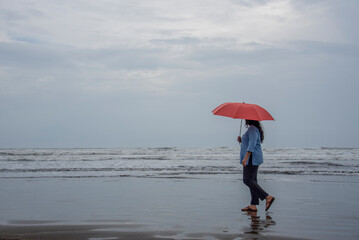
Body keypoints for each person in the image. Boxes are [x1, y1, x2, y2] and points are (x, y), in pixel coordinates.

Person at [238, 120, 275, 212]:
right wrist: (241, 140)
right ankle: (253, 205)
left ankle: (267, 197)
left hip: (251, 158)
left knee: (247, 180)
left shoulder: (252, 129)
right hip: (253, 158)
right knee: (253, 181)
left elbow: (252, 145)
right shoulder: (254, 129)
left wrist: (246, 158)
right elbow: (250, 142)